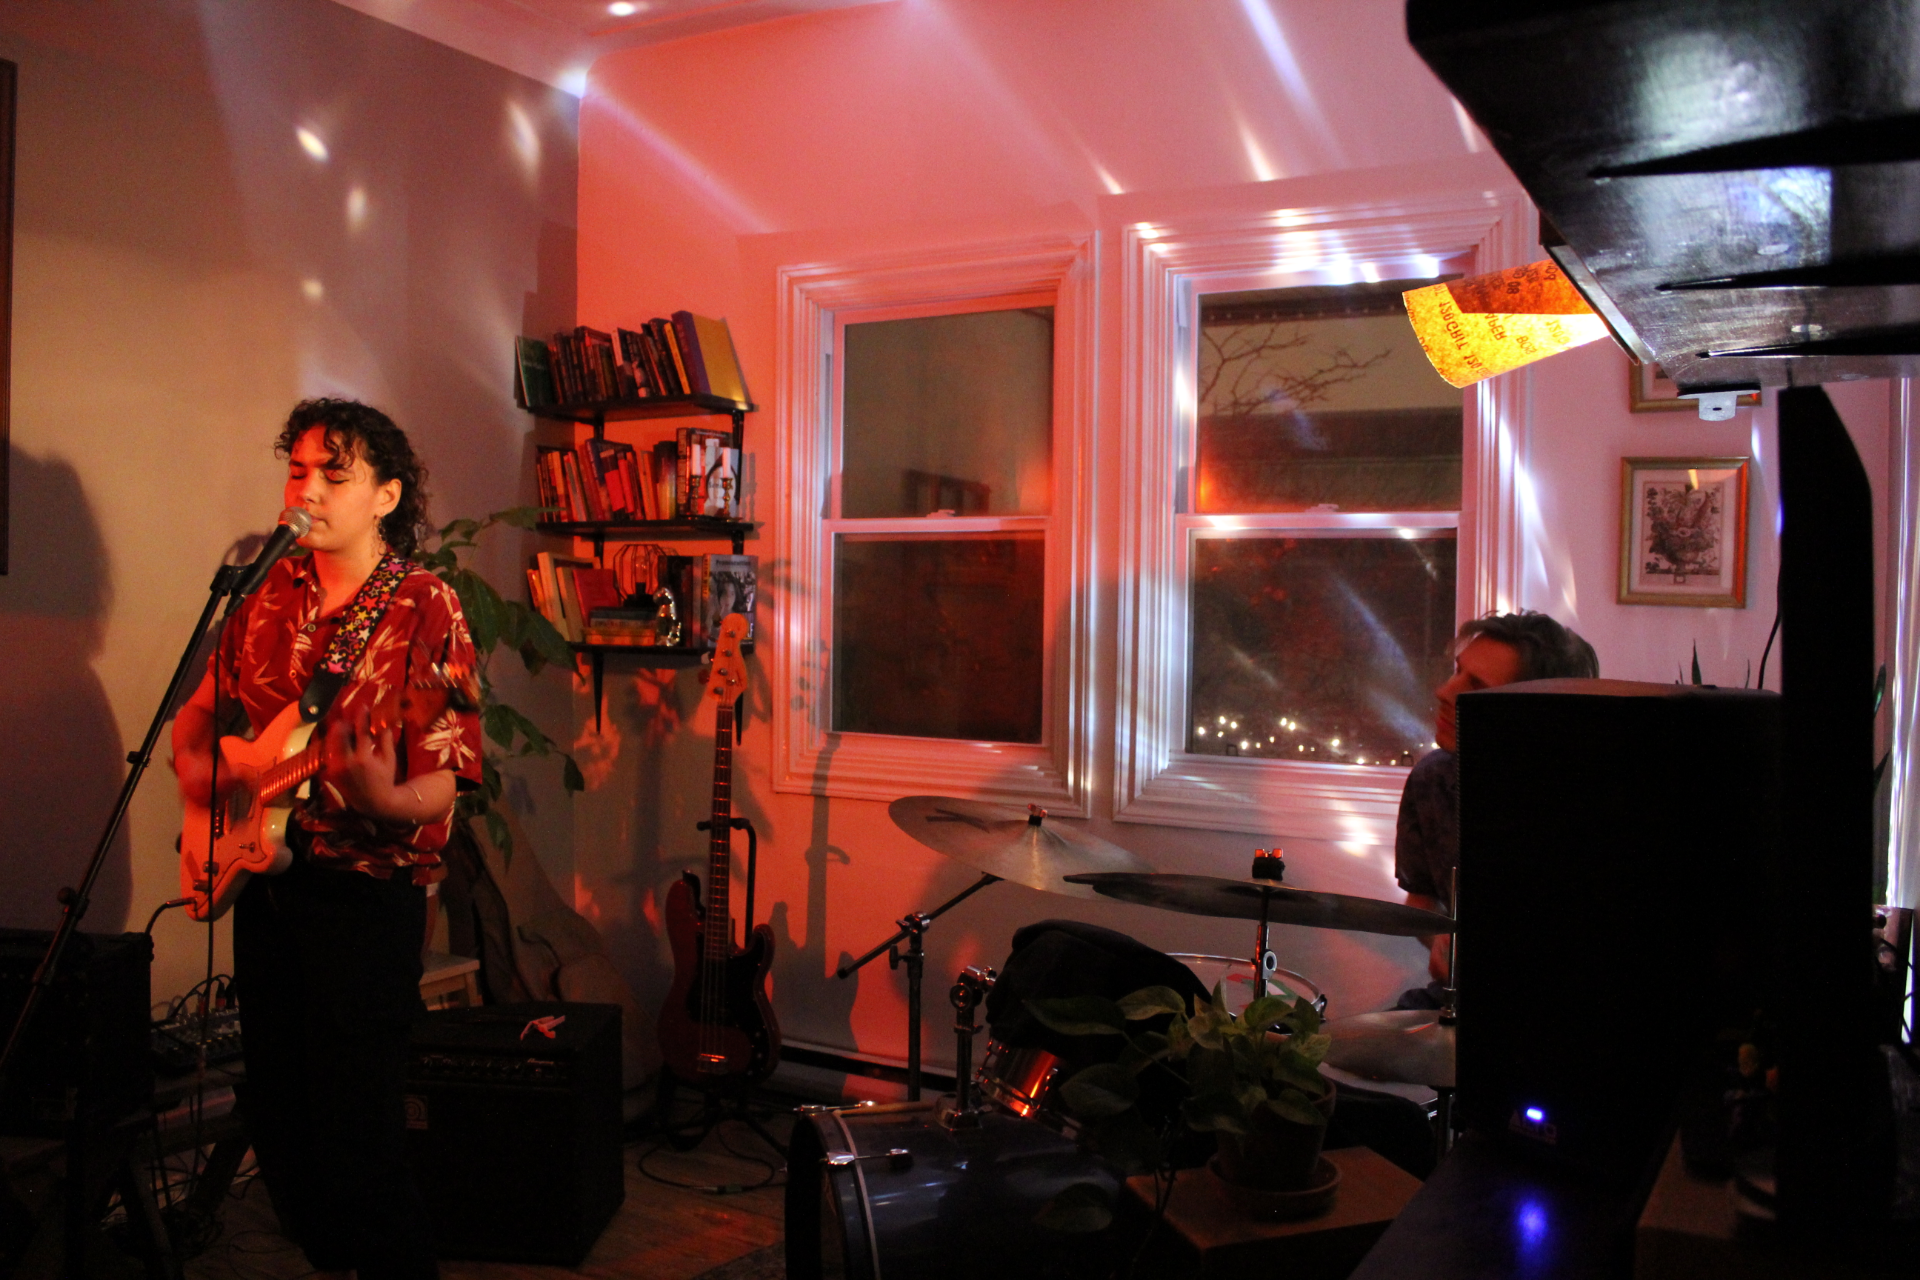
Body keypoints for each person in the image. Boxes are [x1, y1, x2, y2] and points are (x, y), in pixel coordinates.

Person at [172, 399, 482, 1279]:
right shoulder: (264, 593)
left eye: (332, 475)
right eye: (297, 470)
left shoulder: (424, 603)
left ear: (386, 495)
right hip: (263, 882)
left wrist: (385, 797)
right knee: (279, 1114)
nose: (305, 490)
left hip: (364, 894)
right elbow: (195, 723)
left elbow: (449, 772)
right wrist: (208, 779)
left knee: (361, 1134)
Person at [1395, 611, 1597, 1005]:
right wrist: (1441, 937)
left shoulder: (1586, 801)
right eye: (1457, 671)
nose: (1443, 691)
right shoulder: (1431, 780)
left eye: (1474, 686)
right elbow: (1421, 899)